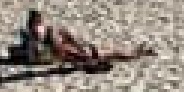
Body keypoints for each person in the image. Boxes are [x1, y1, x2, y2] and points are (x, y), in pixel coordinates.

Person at [16, 9, 152, 69]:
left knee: (105, 53)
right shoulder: (47, 31)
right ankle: (138, 53)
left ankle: (138, 53)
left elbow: (66, 43)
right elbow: (65, 44)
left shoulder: (43, 32)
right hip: (62, 51)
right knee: (105, 53)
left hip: (61, 51)